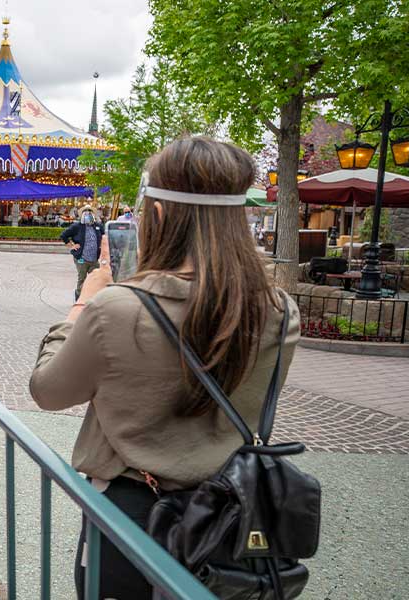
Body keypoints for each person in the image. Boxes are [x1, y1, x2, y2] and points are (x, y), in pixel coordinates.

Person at [29, 137, 300, 599]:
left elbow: (48, 392)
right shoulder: (279, 309)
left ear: (156, 215)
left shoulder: (118, 308)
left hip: (133, 513)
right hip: (231, 512)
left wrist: (81, 305)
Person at [59, 206, 104, 300]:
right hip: (81, 258)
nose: (88, 213)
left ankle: (91, 298)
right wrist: (72, 245)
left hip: (94, 259)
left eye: (90, 211)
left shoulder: (98, 226)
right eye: (85, 211)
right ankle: (79, 298)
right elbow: (64, 235)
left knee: (95, 279)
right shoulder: (77, 226)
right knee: (82, 278)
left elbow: (104, 237)